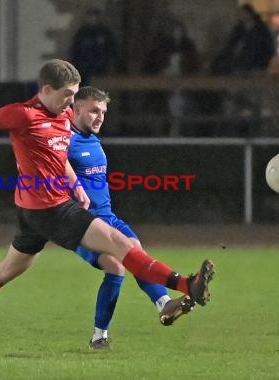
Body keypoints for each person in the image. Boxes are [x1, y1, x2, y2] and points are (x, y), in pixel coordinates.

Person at [0, 59, 215, 347]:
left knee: (7, 269)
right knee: (120, 244)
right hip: (50, 208)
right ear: (46, 89)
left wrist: (77, 185)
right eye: (67, 94)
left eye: (74, 95)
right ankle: (186, 284)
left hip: (36, 210)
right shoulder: (23, 114)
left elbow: (57, 157)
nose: (71, 102)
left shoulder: (62, 115)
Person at [69, 86, 195, 350]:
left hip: (108, 217)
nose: (100, 117)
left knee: (135, 252)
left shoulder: (93, 139)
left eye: (103, 111)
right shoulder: (64, 140)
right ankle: (99, 336)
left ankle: (163, 305)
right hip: (81, 223)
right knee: (116, 266)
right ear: (76, 108)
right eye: (93, 110)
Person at [210, 3, 275, 75]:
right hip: (241, 64)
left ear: (250, 14)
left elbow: (267, 47)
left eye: (244, 14)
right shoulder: (239, 29)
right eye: (241, 14)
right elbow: (230, 45)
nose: (241, 16)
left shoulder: (260, 29)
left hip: (257, 64)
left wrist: (262, 64)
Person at [70, 7, 117, 86]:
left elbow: (111, 50)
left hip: (101, 69)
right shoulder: (82, 33)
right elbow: (75, 51)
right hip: (83, 69)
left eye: (94, 16)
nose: (92, 19)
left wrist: (109, 65)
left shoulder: (105, 33)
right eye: (90, 16)